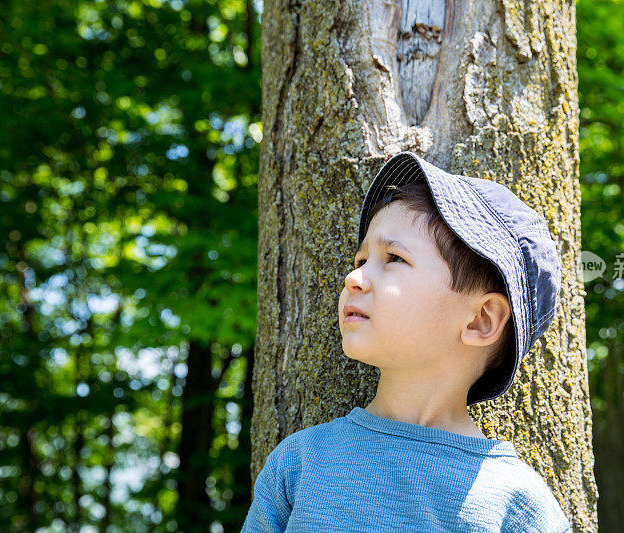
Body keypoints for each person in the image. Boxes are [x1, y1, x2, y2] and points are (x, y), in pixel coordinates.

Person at [241, 151, 570, 532]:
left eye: (393, 258)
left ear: (481, 320)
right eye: (361, 259)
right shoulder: (299, 464)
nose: (354, 277)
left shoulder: (519, 503)